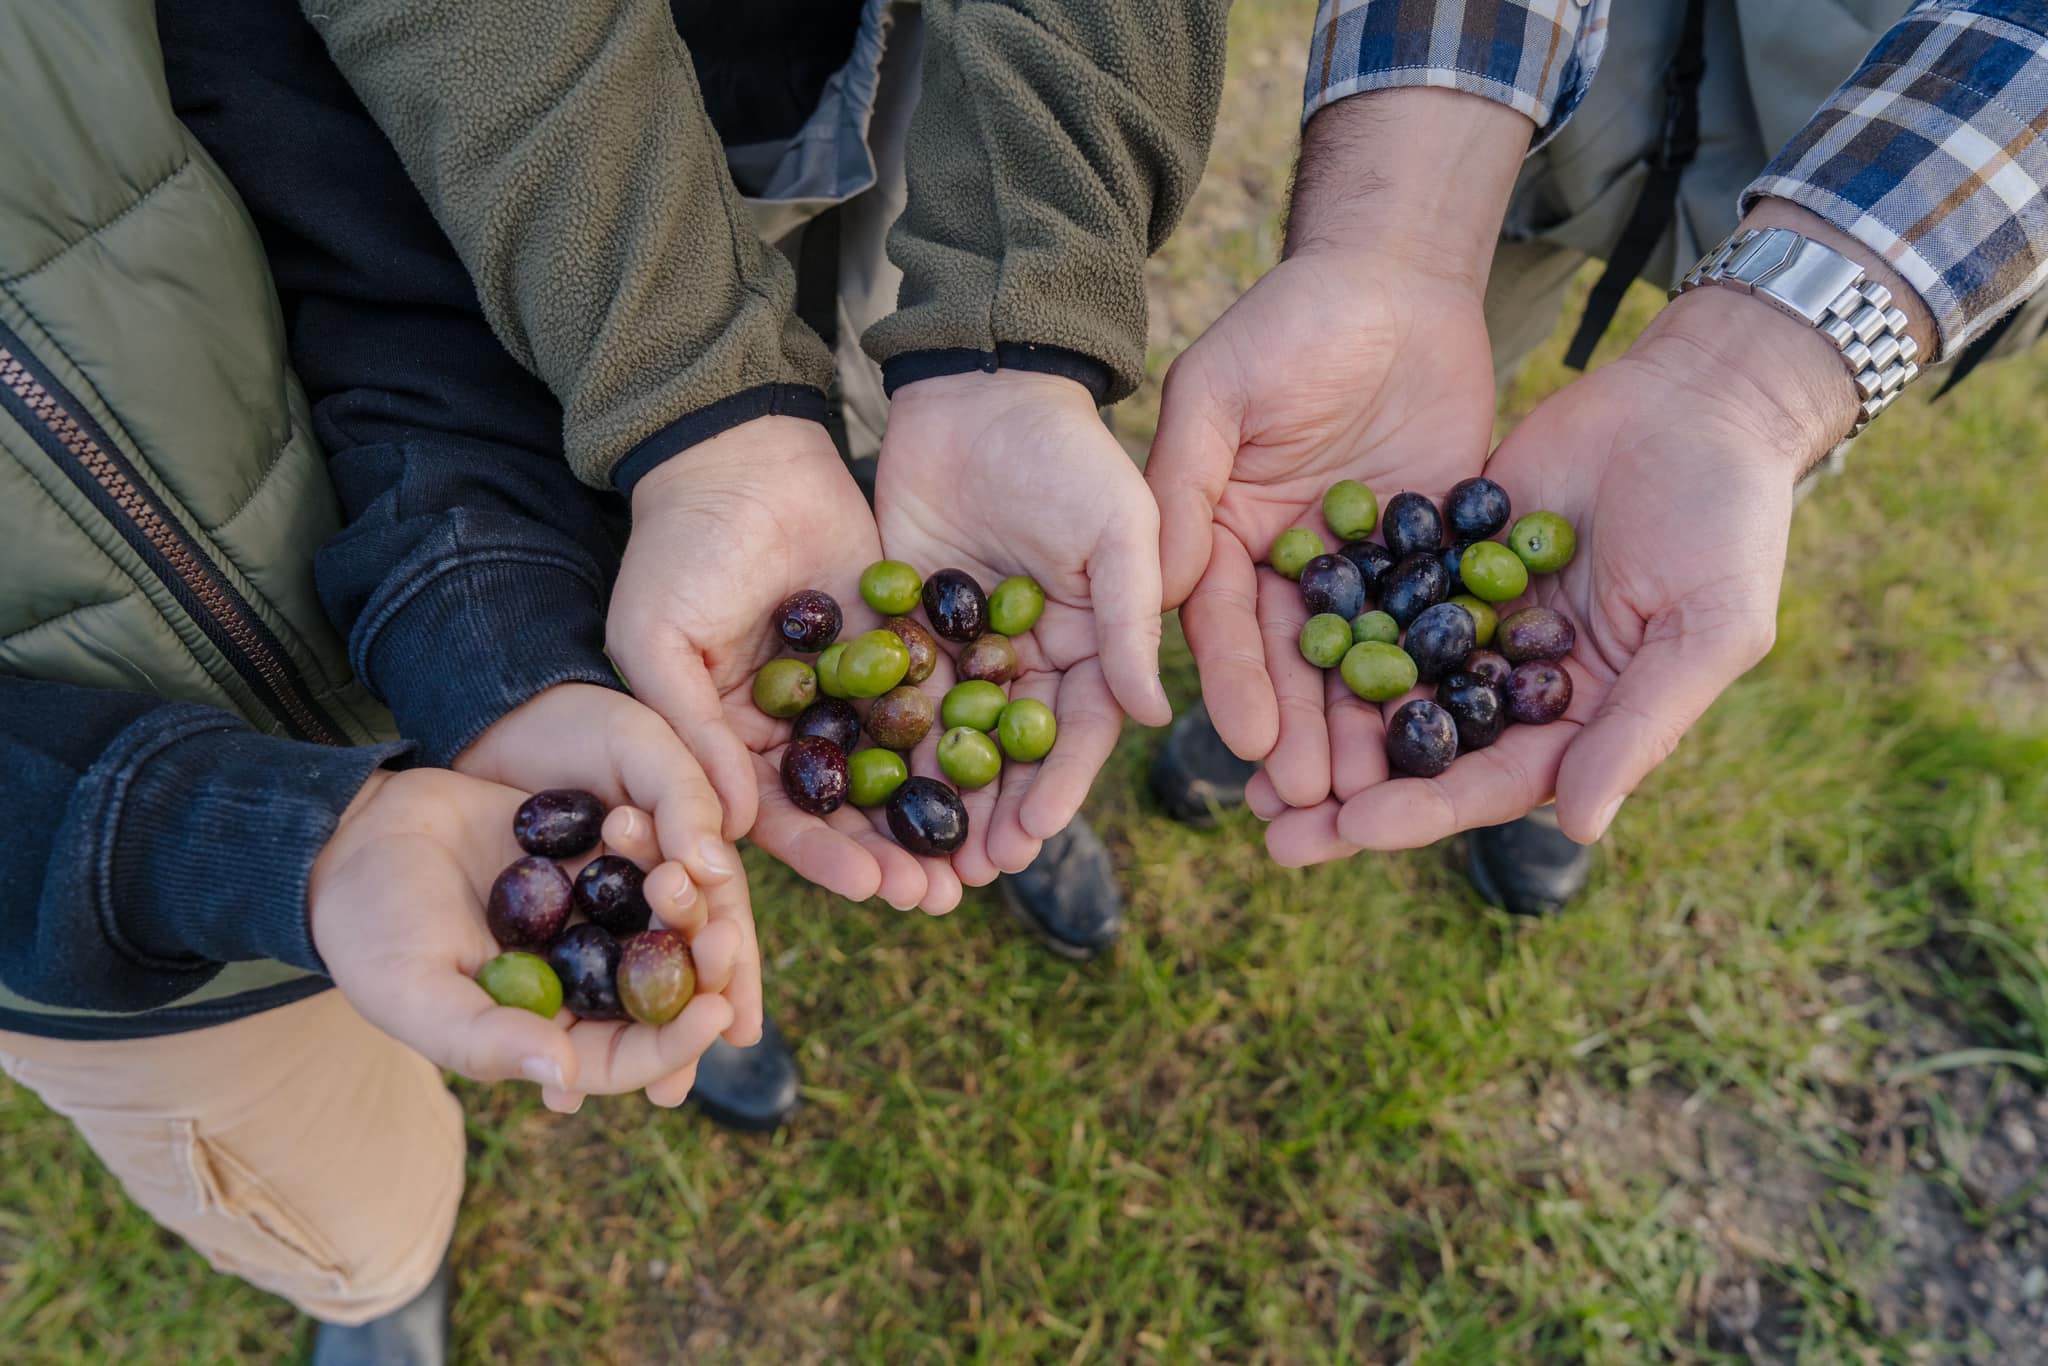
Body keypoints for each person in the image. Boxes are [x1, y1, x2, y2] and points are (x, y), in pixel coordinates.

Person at [235, 0, 1229, 1135]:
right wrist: (696, 415)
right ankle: (691, 891)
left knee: (862, 359)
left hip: (898, 59)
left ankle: (936, 811)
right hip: (545, 107)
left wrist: (1015, 338)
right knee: (636, 485)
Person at [0, 3, 760, 1358]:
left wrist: (497, 651)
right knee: (331, 1184)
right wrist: (264, 846)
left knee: (661, 858)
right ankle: (380, 1281)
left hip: (398, 638)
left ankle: (673, 1018)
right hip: (96, 927)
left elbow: (350, 229)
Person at [1147, 0, 2048, 891]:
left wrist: (1760, 391)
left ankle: (1551, 777)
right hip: (1538, 101)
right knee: (1430, 358)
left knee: (1685, 516)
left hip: (1876, 111)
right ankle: (1277, 717)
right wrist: (1394, 239)